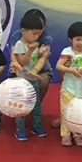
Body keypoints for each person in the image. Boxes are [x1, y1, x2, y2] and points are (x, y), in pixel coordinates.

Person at [9, 12, 48, 140]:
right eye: (34, 33)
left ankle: (36, 126)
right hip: (22, 81)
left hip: (33, 80)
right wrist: (30, 51)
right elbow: (21, 62)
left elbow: (35, 61)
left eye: (39, 34)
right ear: (23, 31)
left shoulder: (35, 44)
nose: (36, 37)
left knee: (36, 106)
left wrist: (40, 52)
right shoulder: (20, 44)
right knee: (21, 106)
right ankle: (20, 129)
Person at [55, 22, 82, 147]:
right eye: (78, 39)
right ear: (70, 39)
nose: (81, 43)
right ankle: (65, 134)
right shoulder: (67, 52)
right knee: (65, 112)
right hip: (68, 88)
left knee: (80, 113)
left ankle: (79, 135)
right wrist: (71, 70)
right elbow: (58, 66)